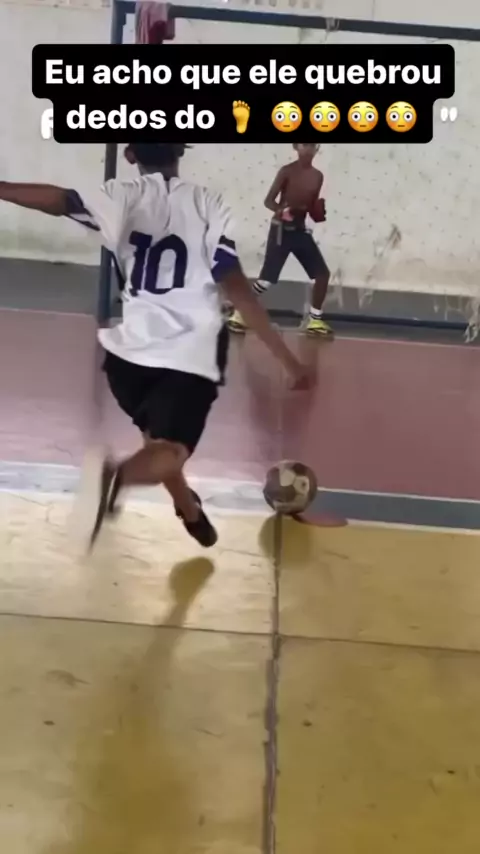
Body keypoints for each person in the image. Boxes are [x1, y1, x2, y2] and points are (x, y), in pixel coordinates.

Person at [0, 143, 314, 549]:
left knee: (157, 444)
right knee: (170, 450)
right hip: (190, 353)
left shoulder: (119, 195)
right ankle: (116, 478)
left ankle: (189, 511)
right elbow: (237, 288)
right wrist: (288, 359)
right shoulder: (207, 203)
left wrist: (2, 187)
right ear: (181, 150)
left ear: (130, 155)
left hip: (128, 354)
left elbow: (61, 201)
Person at [228, 142, 332, 337]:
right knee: (266, 280)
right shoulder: (287, 171)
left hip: (300, 231)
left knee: (322, 275)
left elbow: (310, 207)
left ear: (317, 148)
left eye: (312, 145)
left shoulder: (318, 176)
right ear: (296, 147)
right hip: (281, 231)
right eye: (304, 145)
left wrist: (317, 212)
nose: (308, 149)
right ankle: (239, 313)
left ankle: (315, 320)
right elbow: (269, 201)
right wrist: (281, 211)